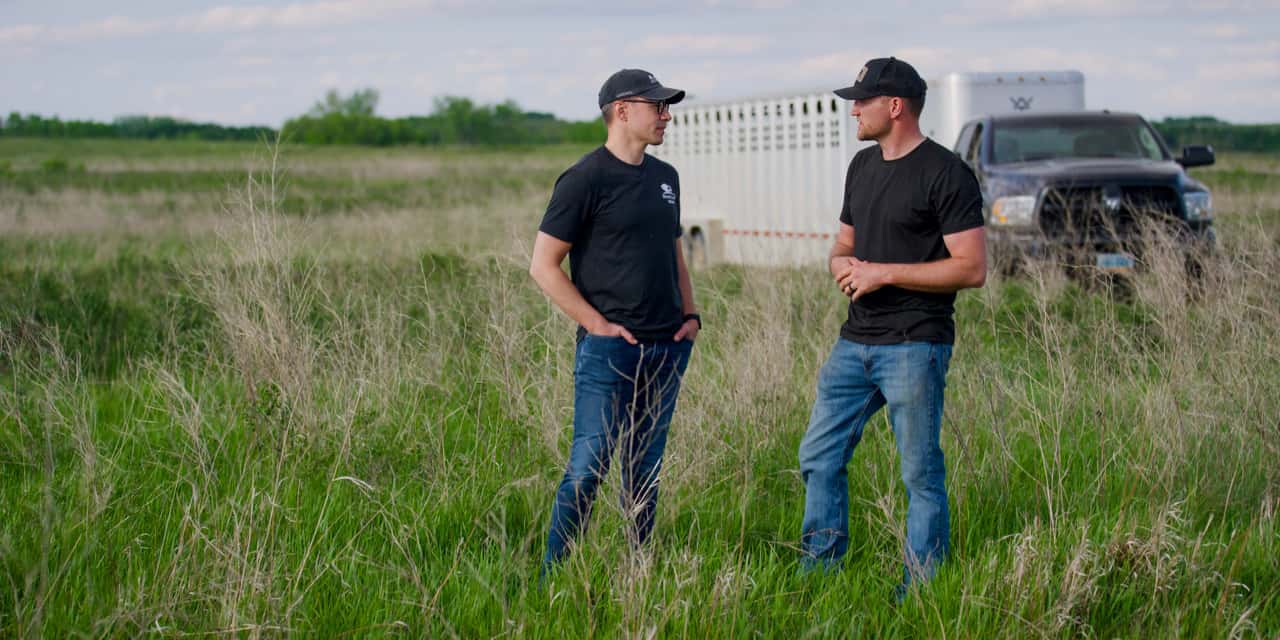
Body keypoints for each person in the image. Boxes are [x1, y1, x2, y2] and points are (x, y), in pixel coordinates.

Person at [797, 57, 987, 597]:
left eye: (863, 99)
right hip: (854, 342)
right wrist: (841, 265)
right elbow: (842, 244)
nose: (853, 108)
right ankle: (820, 573)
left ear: (895, 106)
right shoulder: (861, 166)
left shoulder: (946, 174)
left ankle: (922, 589)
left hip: (915, 343)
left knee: (919, 475)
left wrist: (885, 273)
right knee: (818, 457)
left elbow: (971, 268)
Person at [530, 68, 701, 576]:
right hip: (610, 350)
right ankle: (553, 573)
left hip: (668, 346)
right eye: (658, 106)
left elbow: (675, 255)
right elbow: (543, 265)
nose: (667, 115)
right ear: (622, 111)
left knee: (645, 468)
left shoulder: (665, 177)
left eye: (667, 106)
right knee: (589, 466)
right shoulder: (585, 178)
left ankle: (638, 566)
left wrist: (689, 316)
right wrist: (597, 326)